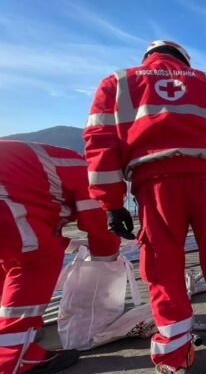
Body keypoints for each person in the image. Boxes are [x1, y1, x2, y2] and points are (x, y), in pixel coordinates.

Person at [83, 40, 206, 373]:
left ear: (148, 58)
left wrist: (111, 203)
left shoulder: (117, 83)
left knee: (162, 266)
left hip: (155, 181)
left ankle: (175, 356)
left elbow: (99, 142)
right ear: (184, 60)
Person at [0, 140, 120, 373]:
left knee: (8, 262)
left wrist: (69, 243)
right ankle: (15, 357)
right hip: (5, 205)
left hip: (9, 205)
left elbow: (40, 212)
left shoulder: (55, 159)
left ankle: (10, 332)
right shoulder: (88, 172)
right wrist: (107, 262)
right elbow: (100, 224)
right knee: (37, 259)